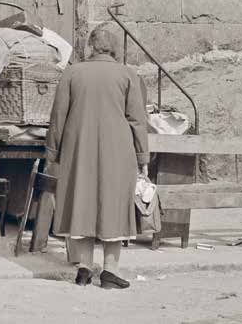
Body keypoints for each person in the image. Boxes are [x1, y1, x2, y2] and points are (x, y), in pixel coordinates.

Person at [45, 26, 149, 289]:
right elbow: (137, 121)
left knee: (82, 203)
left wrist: (53, 153)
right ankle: (110, 272)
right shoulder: (128, 75)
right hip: (118, 151)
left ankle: (83, 269)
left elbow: (58, 117)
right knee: (113, 206)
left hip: (78, 150)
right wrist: (142, 156)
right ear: (115, 49)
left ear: (90, 47)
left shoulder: (72, 72)